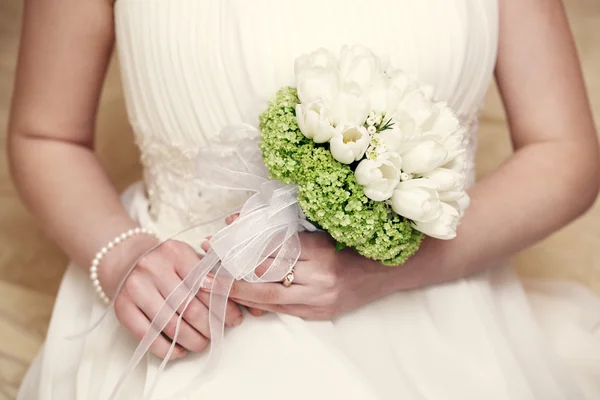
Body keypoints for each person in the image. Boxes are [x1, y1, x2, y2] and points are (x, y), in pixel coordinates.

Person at [8, 0, 600, 399]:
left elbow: (563, 147)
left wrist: (395, 268)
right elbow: (45, 134)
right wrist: (117, 254)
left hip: (448, 314)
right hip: (186, 310)